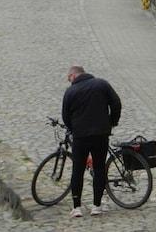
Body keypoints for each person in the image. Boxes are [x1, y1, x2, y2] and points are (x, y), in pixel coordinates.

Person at [62, 65, 121, 218]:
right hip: (101, 134)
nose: (70, 82)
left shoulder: (70, 91)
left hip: (80, 137)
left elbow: (65, 116)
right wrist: (112, 121)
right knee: (100, 168)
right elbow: (116, 103)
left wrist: (73, 128)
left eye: (69, 79)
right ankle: (96, 206)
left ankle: (77, 208)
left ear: (74, 76)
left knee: (78, 170)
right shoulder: (102, 84)